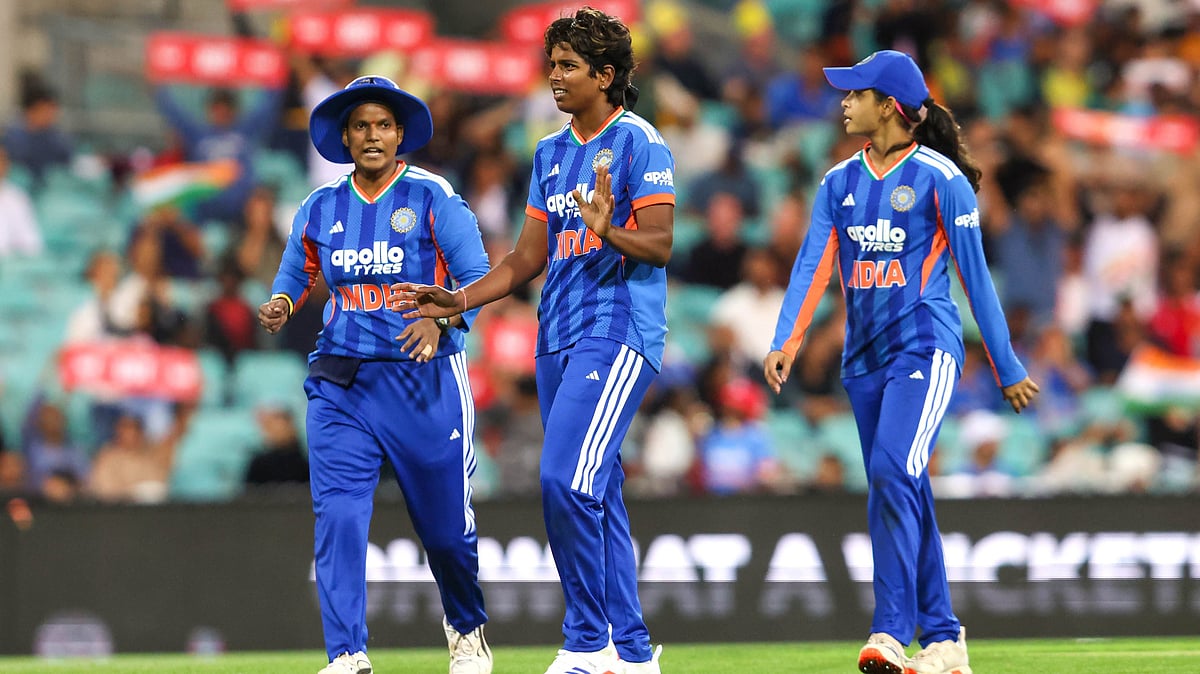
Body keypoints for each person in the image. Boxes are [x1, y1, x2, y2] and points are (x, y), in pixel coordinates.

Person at [392, 8, 673, 674]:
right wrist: (458, 301)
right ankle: (633, 655)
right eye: (552, 64)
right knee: (595, 488)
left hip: (619, 326)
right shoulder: (549, 152)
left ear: (607, 76)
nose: (555, 77)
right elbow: (526, 258)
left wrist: (610, 232)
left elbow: (659, 246)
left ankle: (587, 642)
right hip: (558, 334)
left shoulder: (641, 143)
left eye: (569, 66)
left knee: (562, 478)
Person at [762, 50, 1040, 674]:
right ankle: (943, 640)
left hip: (925, 349)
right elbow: (814, 265)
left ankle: (890, 631)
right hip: (863, 362)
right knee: (903, 482)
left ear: (888, 106)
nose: (843, 101)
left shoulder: (943, 179)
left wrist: (1007, 366)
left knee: (891, 470)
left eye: (855, 93)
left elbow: (977, 280)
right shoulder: (838, 182)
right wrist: (788, 340)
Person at [257, 75, 493, 674]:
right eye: (360, 125)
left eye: (383, 125)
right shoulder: (319, 206)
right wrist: (283, 302)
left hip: (424, 378)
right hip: (341, 382)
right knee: (338, 516)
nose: (372, 135)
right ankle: (347, 655)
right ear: (345, 136)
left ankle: (466, 630)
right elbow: (296, 271)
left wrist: (442, 324)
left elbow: (480, 277)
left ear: (400, 135)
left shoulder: (435, 196)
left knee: (444, 534)